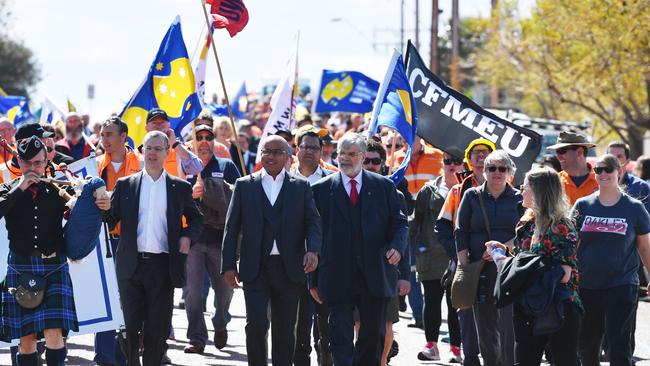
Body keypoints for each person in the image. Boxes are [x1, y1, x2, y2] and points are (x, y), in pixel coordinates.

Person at [0, 136, 110, 366]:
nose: (33, 169)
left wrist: (101, 200)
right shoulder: (8, 189)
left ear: (46, 161)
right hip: (21, 268)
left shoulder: (57, 189)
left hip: (54, 267)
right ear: (19, 161)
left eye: (38, 163)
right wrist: (21, 187)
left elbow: (83, 212)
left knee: (53, 332)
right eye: (28, 163)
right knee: (27, 338)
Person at [221, 135, 322, 366]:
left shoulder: (301, 187)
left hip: (289, 269)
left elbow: (313, 222)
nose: (271, 156)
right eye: (266, 151)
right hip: (255, 268)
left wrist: (313, 251)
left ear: (288, 156)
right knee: (255, 325)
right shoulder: (245, 185)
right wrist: (228, 265)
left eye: (277, 152)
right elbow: (231, 226)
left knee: (285, 328)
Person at [104, 131, 203, 366]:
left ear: (167, 152)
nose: (153, 153)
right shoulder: (125, 185)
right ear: (142, 152)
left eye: (158, 149)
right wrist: (99, 203)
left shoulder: (179, 187)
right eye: (149, 148)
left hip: (162, 267)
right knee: (128, 329)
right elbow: (109, 218)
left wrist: (188, 237)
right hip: (130, 266)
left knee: (156, 332)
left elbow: (197, 219)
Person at [309, 132, 408, 366]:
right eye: (341, 153)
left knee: (373, 336)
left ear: (363, 157)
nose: (345, 158)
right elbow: (314, 237)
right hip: (336, 275)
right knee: (339, 336)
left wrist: (396, 247)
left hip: (375, 274)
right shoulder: (321, 190)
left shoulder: (384, 187)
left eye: (351, 154)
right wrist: (313, 279)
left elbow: (400, 223)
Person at [487, 168, 581, 365]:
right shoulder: (526, 223)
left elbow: (564, 274)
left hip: (559, 307)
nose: (521, 191)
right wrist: (503, 255)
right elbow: (524, 261)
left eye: (525, 187)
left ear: (540, 191)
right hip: (527, 305)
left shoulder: (562, 226)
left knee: (564, 361)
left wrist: (519, 267)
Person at [572, 154, 650, 366]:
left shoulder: (634, 208)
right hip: (587, 286)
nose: (603, 174)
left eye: (608, 169)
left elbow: (644, 247)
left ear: (620, 172)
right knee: (587, 347)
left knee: (619, 347)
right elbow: (571, 244)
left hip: (622, 285)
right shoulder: (583, 205)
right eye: (598, 170)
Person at [455, 150, 522, 366]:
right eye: (492, 168)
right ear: (484, 172)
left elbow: (526, 231)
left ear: (509, 173)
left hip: (510, 268)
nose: (497, 172)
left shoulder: (519, 198)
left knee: (509, 322)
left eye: (502, 168)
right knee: (484, 323)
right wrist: (464, 263)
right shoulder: (472, 196)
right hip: (479, 267)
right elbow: (460, 230)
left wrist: (503, 248)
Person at [436, 138, 494, 366]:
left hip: (497, 263)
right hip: (466, 262)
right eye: (476, 153)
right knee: (466, 310)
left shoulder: (509, 189)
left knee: (494, 314)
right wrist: (457, 254)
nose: (480, 157)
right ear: (468, 161)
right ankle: (470, 357)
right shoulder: (458, 191)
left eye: (485, 153)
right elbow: (442, 226)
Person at [183, 124, 239, 354]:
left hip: (219, 239)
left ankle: (221, 321)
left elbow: (239, 193)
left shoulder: (225, 165)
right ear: (192, 141)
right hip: (194, 240)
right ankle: (197, 338)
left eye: (208, 137)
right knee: (192, 292)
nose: (204, 141)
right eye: (199, 137)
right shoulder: (184, 167)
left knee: (225, 290)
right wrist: (190, 192)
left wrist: (214, 189)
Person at [94, 116, 143, 366]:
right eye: (102, 135)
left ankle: (125, 355)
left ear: (123, 137)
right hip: (103, 242)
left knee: (128, 301)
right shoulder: (93, 166)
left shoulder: (143, 164)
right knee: (105, 299)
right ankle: (103, 358)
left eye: (109, 134)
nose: (105, 140)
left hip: (133, 242)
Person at [360, 139, 411, 366]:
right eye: (366, 160)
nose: (370, 165)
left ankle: (382, 362)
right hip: (356, 269)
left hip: (385, 270)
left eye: (375, 161)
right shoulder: (350, 192)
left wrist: (405, 276)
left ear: (383, 163)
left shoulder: (395, 195)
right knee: (358, 324)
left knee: (387, 324)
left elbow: (403, 237)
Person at [289, 125, 335, 366]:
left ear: (321, 151)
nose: (308, 152)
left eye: (314, 148)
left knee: (325, 326)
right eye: (304, 146)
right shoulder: (284, 177)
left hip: (324, 262)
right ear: (296, 148)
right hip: (292, 261)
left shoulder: (331, 180)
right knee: (298, 325)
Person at [414, 150, 464, 362]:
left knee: (455, 304)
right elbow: (417, 220)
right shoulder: (429, 189)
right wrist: (418, 248)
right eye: (447, 161)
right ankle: (431, 345)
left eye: (456, 161)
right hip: (431, 254)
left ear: (463, 164)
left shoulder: (468, 189)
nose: (451, 165)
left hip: (456, 254)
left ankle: (456, 349)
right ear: (442, 163)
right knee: (432, 300)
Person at [139, 108, 203, 178]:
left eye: (162, 122)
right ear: (146, 127)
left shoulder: (178, 151)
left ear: (169, 125)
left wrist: (175, 144)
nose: (159, 125)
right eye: (154, 122)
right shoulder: (139, 153)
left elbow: (197, 168)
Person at [546, 131, 598, 205]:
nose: (558, 156)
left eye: (561, 151)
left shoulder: (601, 181)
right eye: (557, 152)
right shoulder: (553, 182)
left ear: (579, 152)